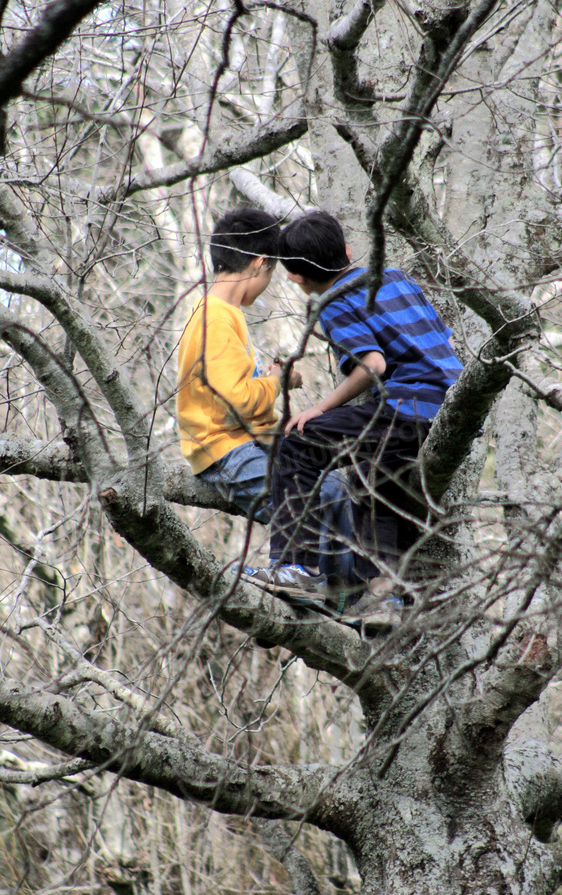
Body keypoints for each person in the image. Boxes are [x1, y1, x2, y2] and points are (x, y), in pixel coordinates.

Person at [246, 210, 463, 631]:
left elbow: (373, 364)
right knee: (374, 478)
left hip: (408, 407)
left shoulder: (333, 301)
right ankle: (384, 597)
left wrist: (320, 409)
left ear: (295, 277)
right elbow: (441, 338)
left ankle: (298, 568)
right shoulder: (396, 276)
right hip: (449, 406)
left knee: (297, 443)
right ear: (347, 250)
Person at [176, 207, 353, 585]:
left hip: (248, 441)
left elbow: (233, 383)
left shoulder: (225, 313)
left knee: (337, 483)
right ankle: (334, 592)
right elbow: (237, 400)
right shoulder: (216, 317)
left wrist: (274, 378)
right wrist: (277, 382)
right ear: (259, 264)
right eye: (272, 271)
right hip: (226, 450)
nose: (270, 280)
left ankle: (322, 586)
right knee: (328, 494)